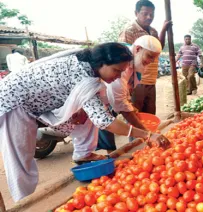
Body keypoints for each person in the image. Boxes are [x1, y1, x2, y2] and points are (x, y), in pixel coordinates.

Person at [0, 42, 170, 202]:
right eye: (116, 71)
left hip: (32, 100)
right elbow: (105, 122)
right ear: (102, 63)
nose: (118, 77)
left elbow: (92, 107)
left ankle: (83, 154)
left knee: (95, 106)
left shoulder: (88, 68)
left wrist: (79, 108)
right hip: (13, 102)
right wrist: (147, 134)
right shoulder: (83, 77)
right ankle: (25, 201)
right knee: (20, 156)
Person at [47, 35, 162, 162]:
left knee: (89, 117)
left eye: (155, 58)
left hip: (91, 101)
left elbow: (121, 97)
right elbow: (108, 118)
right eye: (150, 56)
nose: (152, 61)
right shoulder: (90, 76)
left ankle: (83, 154)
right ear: (138, 49)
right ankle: (90, 152)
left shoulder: (126, 64)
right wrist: (147, 134)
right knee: (97, 120)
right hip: (27, 102)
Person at [118, 0, 170, 115]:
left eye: (152, 14)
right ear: (136, 13)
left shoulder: (153, 31)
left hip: (151, 79)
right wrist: (128, 84)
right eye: (145, 13)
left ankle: (147, 134)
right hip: (137, 81)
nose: (149, 17)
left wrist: (163, 30)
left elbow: (158, 48)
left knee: (150, 114)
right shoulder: (129, 31)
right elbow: (122, 56)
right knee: (136, 115)